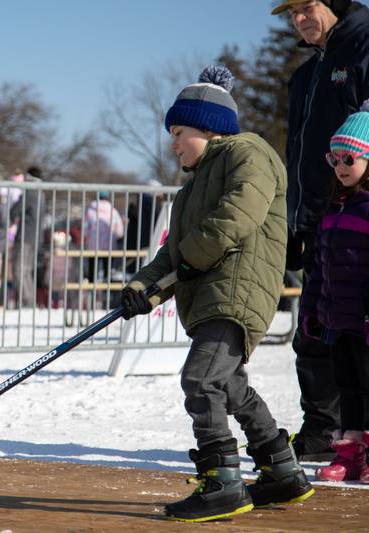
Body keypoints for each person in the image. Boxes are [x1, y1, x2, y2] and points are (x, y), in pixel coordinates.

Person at [121, 65, 313, 522]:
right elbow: (174, 253)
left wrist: (193, 258)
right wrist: (140, 288)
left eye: (179, 132)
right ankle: (281, 469)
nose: (173, 143)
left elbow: (238, 213)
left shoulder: (249, 152)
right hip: (210, 292)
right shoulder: (188, 193)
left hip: (238, 287)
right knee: (228, 384)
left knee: (201, 379)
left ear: (209, 129)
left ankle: (222, 480)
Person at [274, 0, 369, 461]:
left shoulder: (364, 43)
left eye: (305, 7)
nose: (298, 20)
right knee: (315, 328)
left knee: (359, 335)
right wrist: (295, 222)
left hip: (361, 219)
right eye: (290, 13)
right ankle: (324, 433)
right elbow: (299, 156)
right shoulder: (307, 73)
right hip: (320, 218)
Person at [300, 103, 369, 483]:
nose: (340, 166)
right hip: (339, 320)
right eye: (334, 158)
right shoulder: (333, 210)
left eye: (349, 157)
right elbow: (318, 272)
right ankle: (351, 453)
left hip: (364, 319)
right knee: (347, 388)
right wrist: (311, 310)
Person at [9, 167, 45, 307]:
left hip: (25, 236)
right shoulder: (41, 193)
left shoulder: (30, 192)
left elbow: (14, 211)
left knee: (19, 270)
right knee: (27, 270)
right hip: (36, 237)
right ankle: (29, 301)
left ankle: (27, 301)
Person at [82, 191, 124, 282]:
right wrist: (119, 237)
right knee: (108, 268)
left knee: (92, 267)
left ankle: (92, 288)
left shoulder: (90, 211)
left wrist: (86, 237)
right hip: (109, 245)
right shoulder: (113, 211)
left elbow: (85, 228)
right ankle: (107, 289)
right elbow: (119, 229)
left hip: (94, 245)